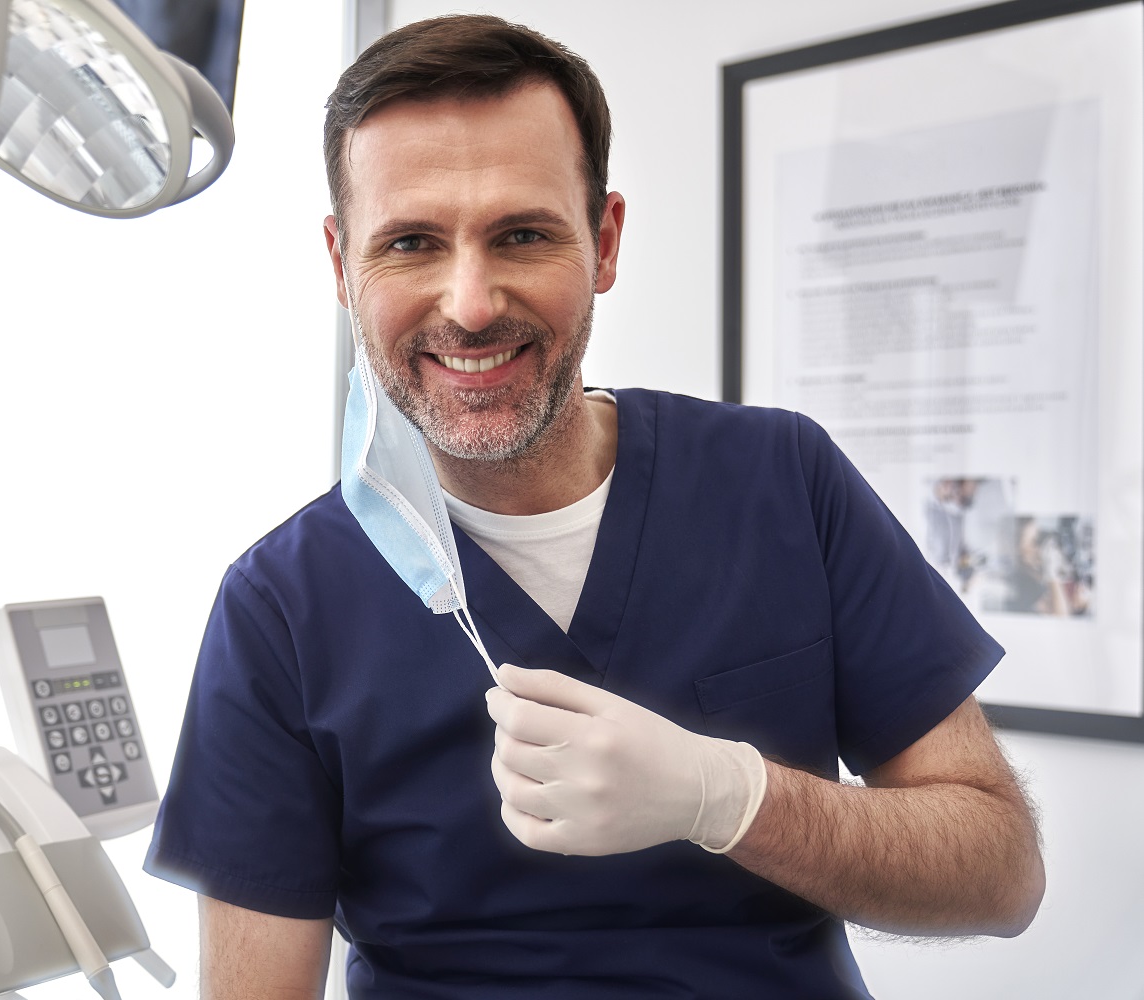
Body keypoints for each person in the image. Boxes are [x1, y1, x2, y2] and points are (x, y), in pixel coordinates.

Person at [145, 15, 1044, 998]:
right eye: (410, 243)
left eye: (521, 234)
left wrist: (729, 795)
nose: (472, 302)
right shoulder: (283, 606)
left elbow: (1001, 871)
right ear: (341, 266)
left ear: (605, 242)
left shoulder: (782, 482)